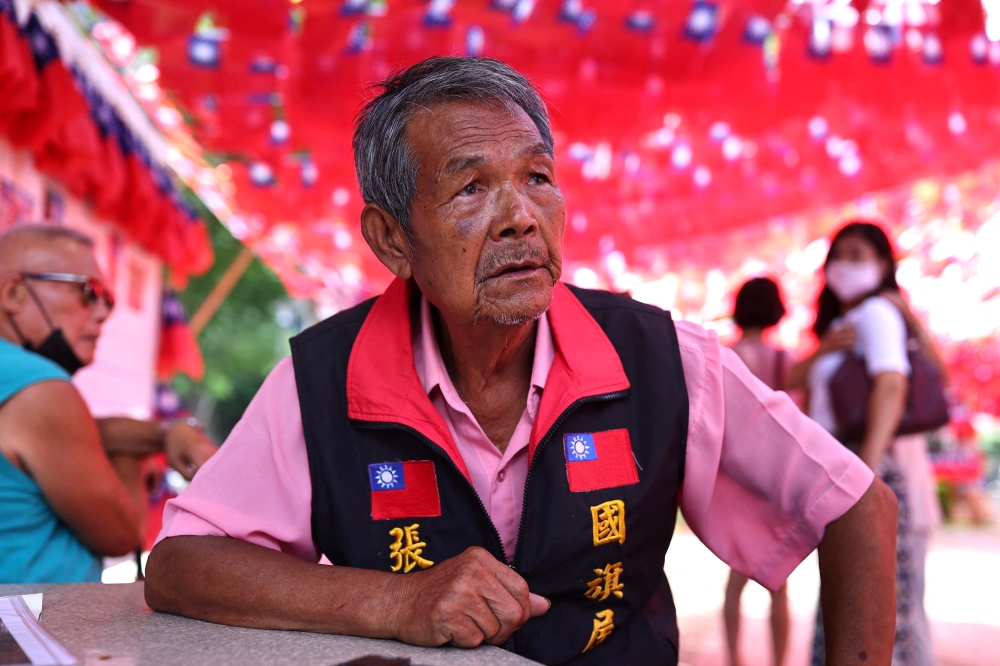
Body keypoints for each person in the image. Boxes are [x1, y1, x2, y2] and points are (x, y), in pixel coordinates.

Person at [145, 57, 898, 665]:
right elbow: (180, 564)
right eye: (471, 188)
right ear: (391, 240)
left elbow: (856, 506)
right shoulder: (325, 378)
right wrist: (396, 602)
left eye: (538, 178)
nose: (520, 217)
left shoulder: (663, 357)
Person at [0, 224, 217, 583]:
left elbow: (86, 432)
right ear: (13, 293)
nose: (102, 313)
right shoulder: (38, 386)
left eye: (108, 299)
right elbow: (120, 535)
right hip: (28, 630)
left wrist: (166, 432)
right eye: (88, 291)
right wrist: (129, 457)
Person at [785, 221, 940, 666]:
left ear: (883, 264)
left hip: (862, 468)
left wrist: (866, 469)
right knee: (855, 604)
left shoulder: (876, 314)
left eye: (857, 255)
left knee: (875, 611)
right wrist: (825, 348)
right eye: (838, 256)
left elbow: (892, 385)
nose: (844, 266)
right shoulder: (844, 324)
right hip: (848, 470)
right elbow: (791, 381)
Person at [724, 277, 792, 666]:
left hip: (735, 480)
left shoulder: (722, 355)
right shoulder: (787, 362)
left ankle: (735, 660)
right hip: (774, 482)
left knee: (735, 582)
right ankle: (779, 662)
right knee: (778, 583)